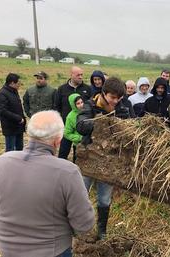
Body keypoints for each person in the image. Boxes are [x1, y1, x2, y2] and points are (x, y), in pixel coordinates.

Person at [0, 110, 94, 257]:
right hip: (51, 250)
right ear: (58, 140)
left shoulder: (1, 162)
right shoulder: (67, 171)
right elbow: (83, 224)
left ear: (29, 134)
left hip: (7, 248)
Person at [77, 77, 132, 240]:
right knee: (80, 195)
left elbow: (128, 131)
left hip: (109, 162)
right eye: (112, 97)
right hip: (88, 160)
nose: (115, 101)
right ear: (103, 93)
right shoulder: (90, 105)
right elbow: (81, 127)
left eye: (118, 98)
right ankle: (78, 229)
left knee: (104, 199)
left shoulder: (122, 109)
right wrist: (102, 122)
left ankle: (101, 232)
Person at [55, 66, 91, 160]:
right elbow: (57, 107)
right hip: (66, 125)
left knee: (78, 154)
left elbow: (90, 106)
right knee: (63, 152)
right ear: (71, 75)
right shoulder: (62, 89)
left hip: (81, 128)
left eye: (81, 75)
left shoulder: (87, 89)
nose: (80, 77)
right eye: (78, 75)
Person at [0, 73, 26, 152]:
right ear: (12, 83)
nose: (20, 85)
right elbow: (2, 111)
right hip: (10, 128)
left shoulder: (14, 91)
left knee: (19, 149)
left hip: (19, 126)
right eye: (18, 83)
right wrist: (18, 118)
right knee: (10, 150)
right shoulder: (2, 94)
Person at [62, 94, 84, 163]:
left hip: (91, 144)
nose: (81, 105)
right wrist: (80, 138)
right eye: (78, 103)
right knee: (78, 163)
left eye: (81, 102)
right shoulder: (70, 117)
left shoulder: (87, 111)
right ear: (73, 105)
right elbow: (67, 134)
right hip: (78, 145)